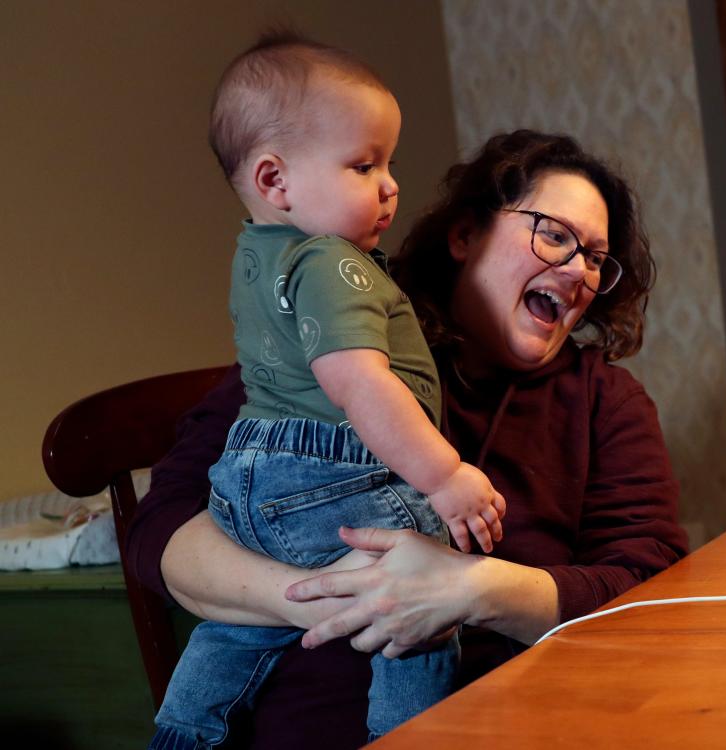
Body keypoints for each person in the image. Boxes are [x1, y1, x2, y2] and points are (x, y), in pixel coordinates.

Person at [126, 128, 689, 748]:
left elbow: (649, 588)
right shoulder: (333, 343)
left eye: (595, 258)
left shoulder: (603, 402)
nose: (579, 269)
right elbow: (161, 529)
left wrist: (471, 588)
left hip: (521, 723)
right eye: (554, 234)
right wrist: (323, 598)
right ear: (464, 235)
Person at [151, 32, 508, 748]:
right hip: (328, 467)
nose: (390, 185)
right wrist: (445, 478)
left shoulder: (256, 254)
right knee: (423, 576)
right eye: (362, 163)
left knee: (235, 625)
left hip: (247, 475)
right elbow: (358, 385)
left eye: (389, 162)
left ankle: (184, 731)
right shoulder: (330, 263)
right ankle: (414, 731)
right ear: (275, 181)